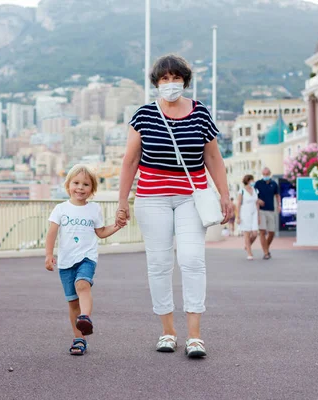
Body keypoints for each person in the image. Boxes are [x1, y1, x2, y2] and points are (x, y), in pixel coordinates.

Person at [115, 54, 233, 359]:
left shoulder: (200, 113)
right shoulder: (143, 115)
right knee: (159, 264)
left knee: (192, 260)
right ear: (156, 83)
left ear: (185, 81)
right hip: (151, 198)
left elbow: (214, 159)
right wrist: (122, 201)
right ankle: (167, 331)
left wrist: (225, 194)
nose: (170, 84)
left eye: (175, 78)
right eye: (164, 79)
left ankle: (195, 336)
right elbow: (130, 161)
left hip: (190, 198)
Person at [45, 164, 122, 356]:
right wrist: (48, 255)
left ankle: (85, 317)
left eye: (86, 184)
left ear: (92, 189)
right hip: (65, 262)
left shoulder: (94, 209)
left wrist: (117, 226)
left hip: (86, 258)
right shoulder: (60, 209)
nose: (80, 187)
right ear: (68, 185)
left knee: (82, 285)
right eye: (76, 183)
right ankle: (79, 338)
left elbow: (101, 233)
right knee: (72, 303)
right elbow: (51, 234)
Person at [254, 167, 281, 260]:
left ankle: (266, 247)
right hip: (261, 210)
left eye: (267, 174)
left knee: (272, 232)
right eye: (264, 174)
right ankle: (266, 253)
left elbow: (277, 195)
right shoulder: (258, 183)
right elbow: (252, 195)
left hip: (271, 210)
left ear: (270, 174)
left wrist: (279, 205)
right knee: (262, 231)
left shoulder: (274, 184)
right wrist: (257, 199)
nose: (265, 176)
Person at [236, 175, 260, 260]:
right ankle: (249, 253)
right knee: (247, 234)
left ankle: (247, 245)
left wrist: (258, 216)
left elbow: (257, 203)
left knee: (255, 234)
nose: (253, 182)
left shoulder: (255, 190)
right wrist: (238, 217)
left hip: (254, 213)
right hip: (245, 213)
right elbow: (238, 204)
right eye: (252, 180)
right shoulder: (241, 191)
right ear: (248, 181)